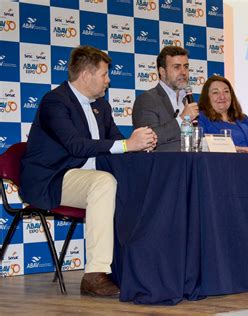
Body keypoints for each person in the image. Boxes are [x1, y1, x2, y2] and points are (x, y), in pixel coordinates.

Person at [20, 46, 157, 297]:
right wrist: (127, 144)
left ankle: (136, 266)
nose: (109, 80)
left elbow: (115, 142)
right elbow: (76, 145)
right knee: (104, 183)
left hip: (86, 175)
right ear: (85, 75)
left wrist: (138, 146)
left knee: (132, 181)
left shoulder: (101, 106)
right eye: (104, 74)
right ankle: (94, 274)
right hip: (53, 178)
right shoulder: (55, 102)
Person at [132, 46, 198, 152]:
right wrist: (182, 119)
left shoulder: (188, 99)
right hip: (162, 165)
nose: (184, 72)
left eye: (186, 66)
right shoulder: (147, 100)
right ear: (162, 72)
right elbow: (148, 140)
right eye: (177, 67)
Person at [198, 75, 248, 153]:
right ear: (207, 97)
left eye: (226, 91)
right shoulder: (201, 117)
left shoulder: (243, 119)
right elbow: (199, 147)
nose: (222, 97)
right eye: (215, 92)